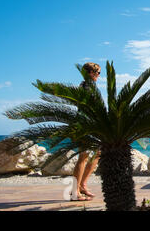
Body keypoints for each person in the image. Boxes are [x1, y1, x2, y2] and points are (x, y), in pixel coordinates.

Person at [70, 62, 101, 201]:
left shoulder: (90, 86)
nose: (99, 76)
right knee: (83, 157)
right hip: (85, 125)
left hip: (91, 125)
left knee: (97, 154)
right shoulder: (86, 86)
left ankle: (82, 184)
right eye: (98, 73)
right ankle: (75, 192)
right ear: (90, 73)